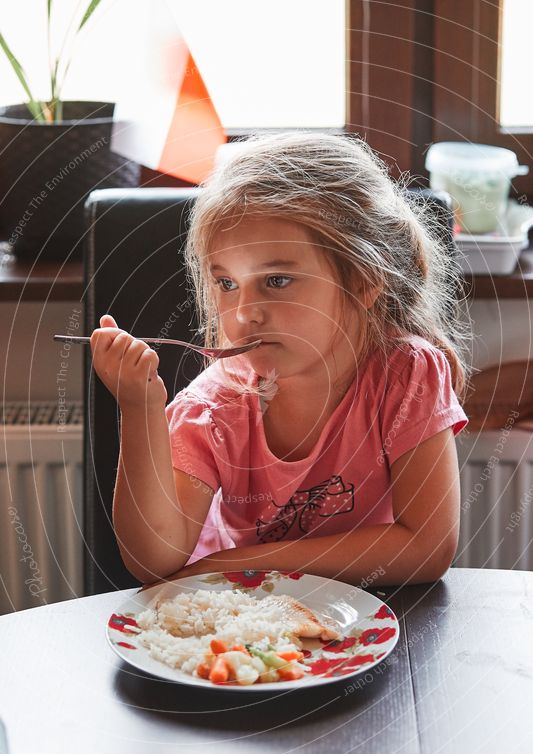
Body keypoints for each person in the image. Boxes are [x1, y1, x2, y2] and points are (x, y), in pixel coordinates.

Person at [90, 131, 470, 588]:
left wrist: (234, 563)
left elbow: (427, 547)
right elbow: (152, 560)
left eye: (277, 280)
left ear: (365, 282)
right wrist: (139, 408)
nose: (245, 312)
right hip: (243, 633)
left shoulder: (407, 375)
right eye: (227, 284)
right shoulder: (214, 410)